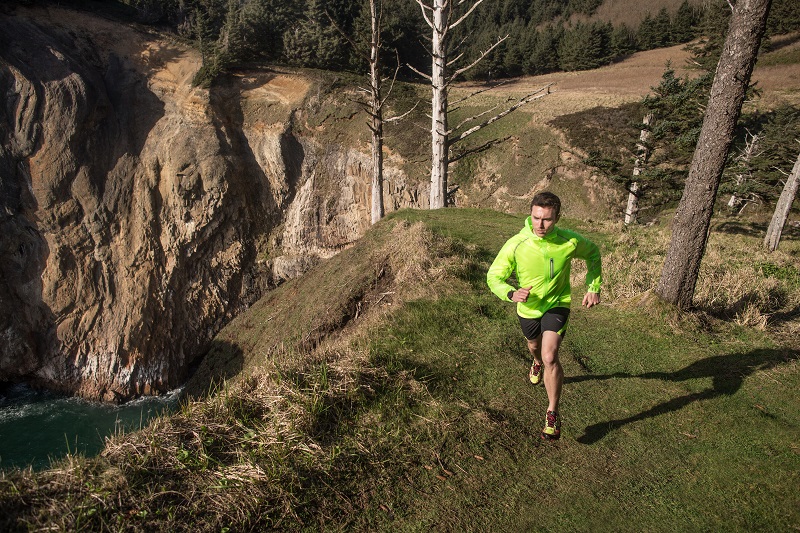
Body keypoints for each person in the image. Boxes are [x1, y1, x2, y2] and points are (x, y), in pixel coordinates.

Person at [487, 191, 602, 440]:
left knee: (551, 355)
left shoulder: (569, 241)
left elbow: (593, 253)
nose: (540, 225)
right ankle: (535, 362)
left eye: (547, 219)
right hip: (528, 308)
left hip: (557, 304)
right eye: (536, 217)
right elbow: (493, 276)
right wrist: (510, 293)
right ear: (530, 214)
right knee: (534, 346)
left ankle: (552, 412)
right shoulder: (516, 243)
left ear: (557, 218)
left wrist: (593, 287)